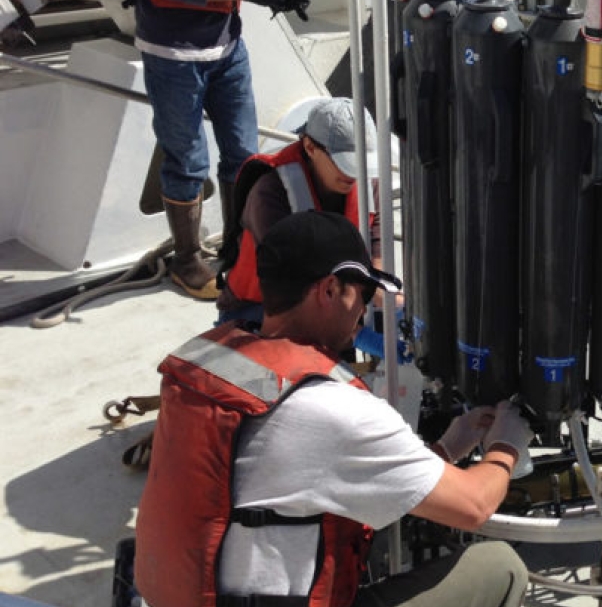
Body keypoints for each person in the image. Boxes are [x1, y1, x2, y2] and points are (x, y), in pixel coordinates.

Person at [135, 210, 530, 607]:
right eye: (361, 293)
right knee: (499, 565)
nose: (363, 310)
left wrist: (447, 448)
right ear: (328, 290)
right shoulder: (331, 407)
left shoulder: (211, 361)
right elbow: (474, 506)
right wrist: (507, 444)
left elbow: (309, 468)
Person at [124, 0, 311, 300]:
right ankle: (187, 261)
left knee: (244, 155)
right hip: (174, 53)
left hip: (227, 47)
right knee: (187, 160)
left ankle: (238, 248)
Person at [218, 97, 383, 325]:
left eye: (361, 163)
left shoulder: (368, 182)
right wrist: (352, 332)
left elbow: (378, 235)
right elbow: (290, 275)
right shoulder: (269, 192)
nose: (354, 174)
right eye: (345, 162)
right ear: (310, 147)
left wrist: (378, 285)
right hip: (261, 308)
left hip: (333, 296)